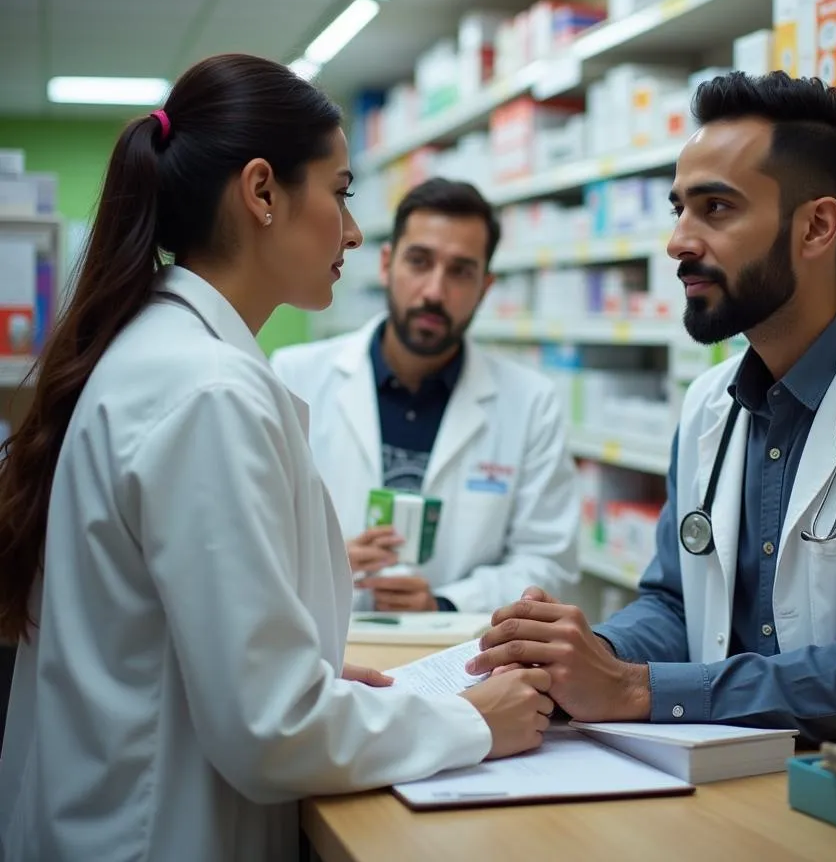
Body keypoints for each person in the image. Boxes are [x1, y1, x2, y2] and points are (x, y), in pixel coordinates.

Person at [0, 54, 554, 862]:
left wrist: (319, 684)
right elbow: (271, 731)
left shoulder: (167, 355)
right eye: (340, 192)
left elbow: (221, 669)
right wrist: (474, 719)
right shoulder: (208, 392)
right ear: (262, 192)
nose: (355, 232)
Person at [467, 71, 836, 745]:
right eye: (679, 208)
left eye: (717, 209)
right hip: (732, 782)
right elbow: (677, 603)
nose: (678, 241)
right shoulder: (710, 401)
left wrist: (630, 688)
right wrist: (579, 660)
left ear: (817, 226)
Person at [270, 178, 579, 614]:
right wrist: (322, 562)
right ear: (386, 264)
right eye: (419, 261)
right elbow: (252, 534)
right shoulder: (294, 375)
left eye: (460, 271)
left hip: (458, 659)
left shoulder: (530, 403)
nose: (434, 291)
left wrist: (446, 602)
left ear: (485, 288)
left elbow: (550, 562)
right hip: (321, 648)